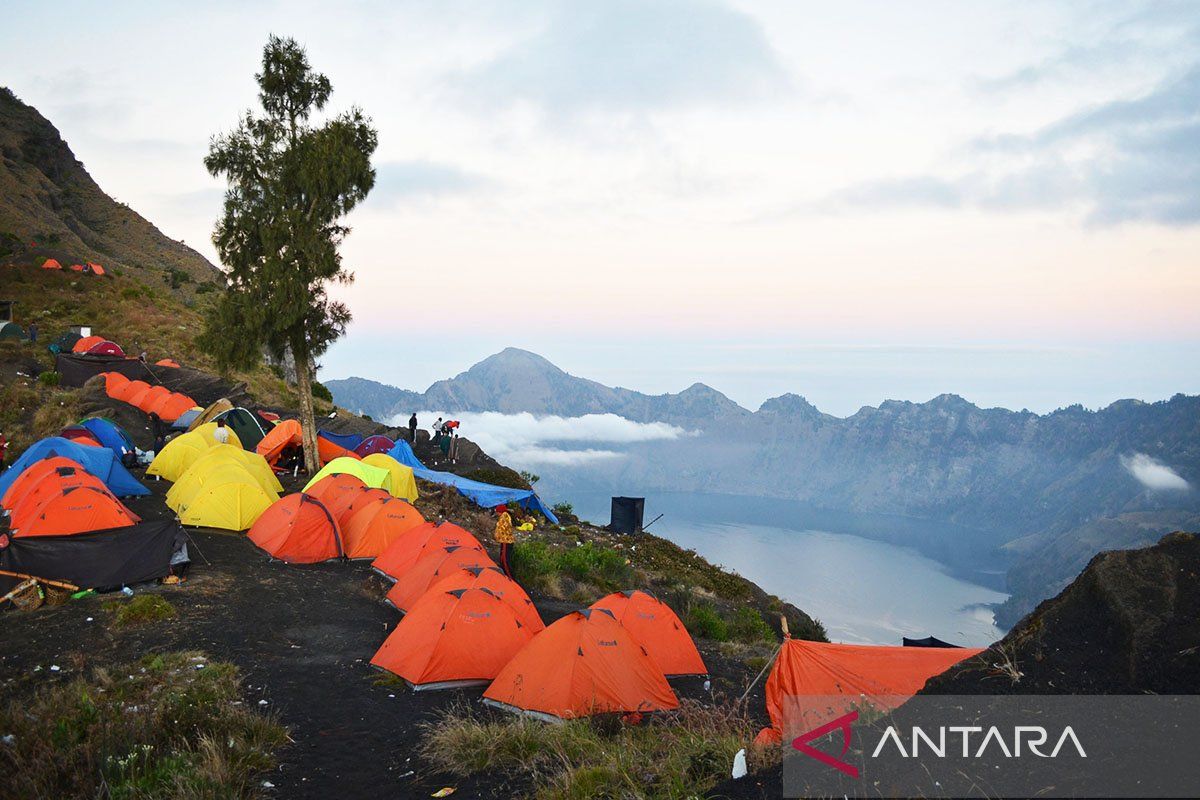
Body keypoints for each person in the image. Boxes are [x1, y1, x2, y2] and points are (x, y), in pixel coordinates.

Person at [494, 504, 515, 579]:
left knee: (505, 560)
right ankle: (505, 576)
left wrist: (497, 536)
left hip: (506, 541)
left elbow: (501, 529)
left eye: (497, 512)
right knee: (503, 559)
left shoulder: (504, 517)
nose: (497, 514)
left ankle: (510, 578)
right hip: (505, 541)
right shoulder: (505, 516)